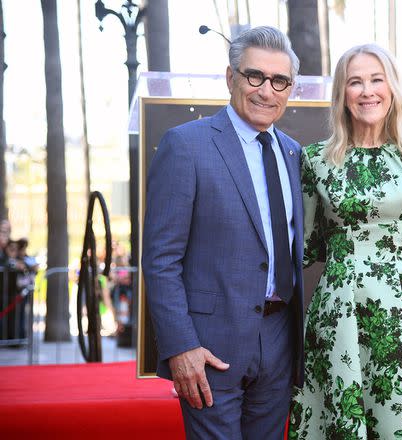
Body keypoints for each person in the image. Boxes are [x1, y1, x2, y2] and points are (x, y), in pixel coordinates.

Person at [288, 44, 402, 439]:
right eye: (355, 82)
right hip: (343, 315)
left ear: (392, 88)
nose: (367, 91)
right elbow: (304, 248)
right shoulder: (314, 160)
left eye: (376, 79)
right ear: (342, 94)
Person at [141, 26, 304, 440]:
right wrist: (180, 346)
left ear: (290, 89)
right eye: (255, 76)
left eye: (279, 81)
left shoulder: (293, 153)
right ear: (231, 78)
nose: (267, 91)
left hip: (280, 341)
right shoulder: (186, 145)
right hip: (209, 348)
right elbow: (161, 259)